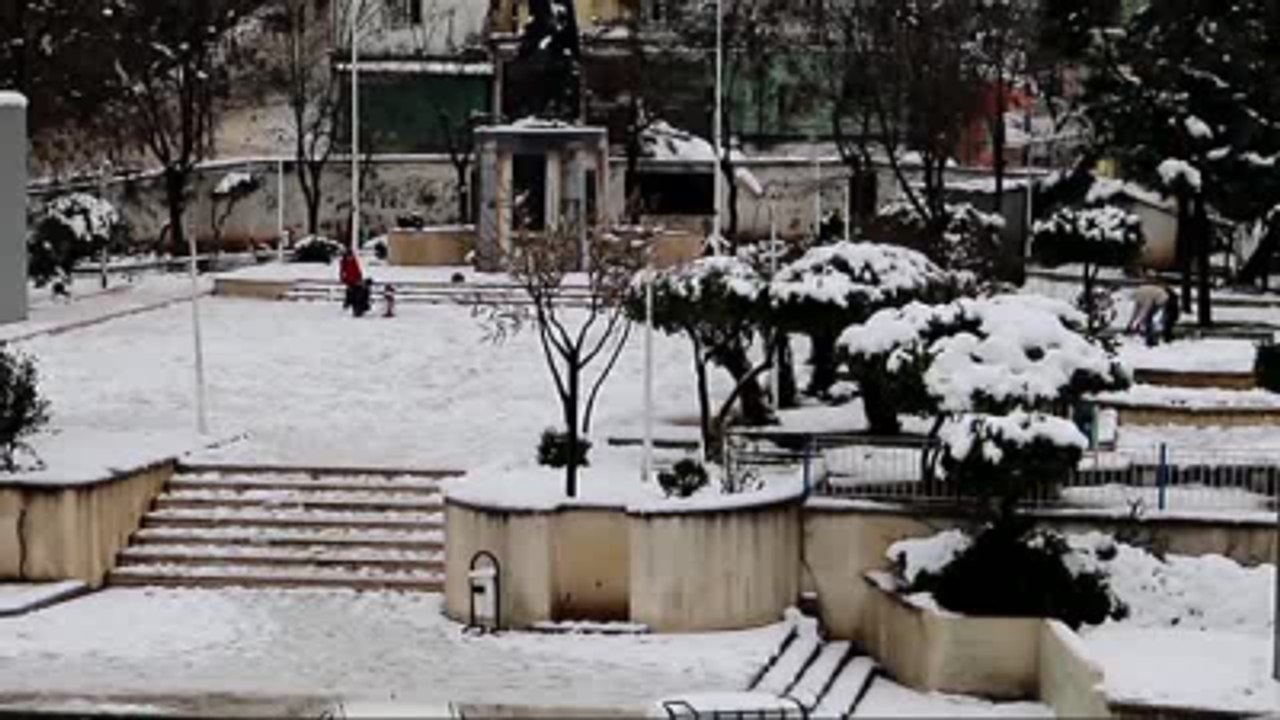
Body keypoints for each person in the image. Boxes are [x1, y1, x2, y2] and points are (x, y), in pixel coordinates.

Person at [1128, 281, 1175, 347]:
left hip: (1162, 298)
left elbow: (1146, 308)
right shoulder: (1139, 295)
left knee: (1148, 318)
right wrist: (1131, 322)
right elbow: (1136, 311)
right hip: (1159, 297)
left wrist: (1138, 323)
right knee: (1148, 319)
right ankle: (1151, 336)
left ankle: (1152, 338)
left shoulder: (1143, 295)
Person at [339, 247, 363, 313]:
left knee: (357, 294)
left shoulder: (354, 261)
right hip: (349, 281)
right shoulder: (344, 263)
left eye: (351, 255)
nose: (350, 257)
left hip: (356, 280)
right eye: (349, 256)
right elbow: (343, 272)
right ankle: (349, 304)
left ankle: (357, 308)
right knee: (351, 293)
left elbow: (357, 270)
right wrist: (344, 279)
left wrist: (359, 278)